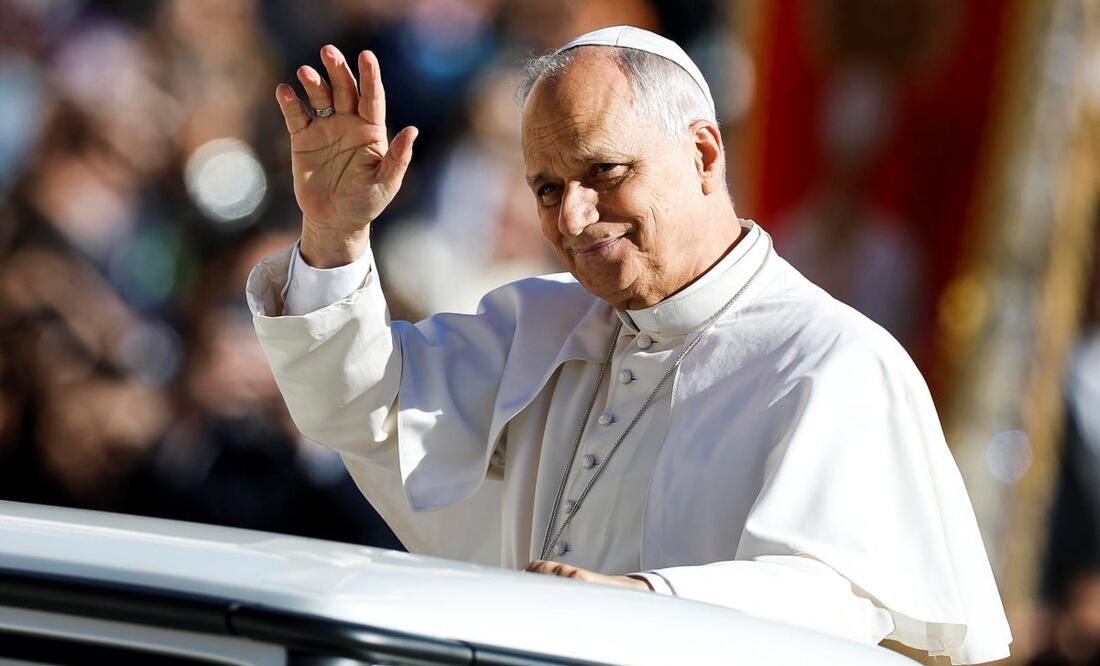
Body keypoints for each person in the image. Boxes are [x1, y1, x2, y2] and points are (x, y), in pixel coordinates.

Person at [247, 25, 1011, 664]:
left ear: (705, 155)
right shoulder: (535, 322)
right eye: (547, 188)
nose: (574, 218)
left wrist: (649, 604)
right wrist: (334, 234)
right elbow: (359, 408)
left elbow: (857, 610)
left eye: (603, 171)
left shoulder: (834, 361)